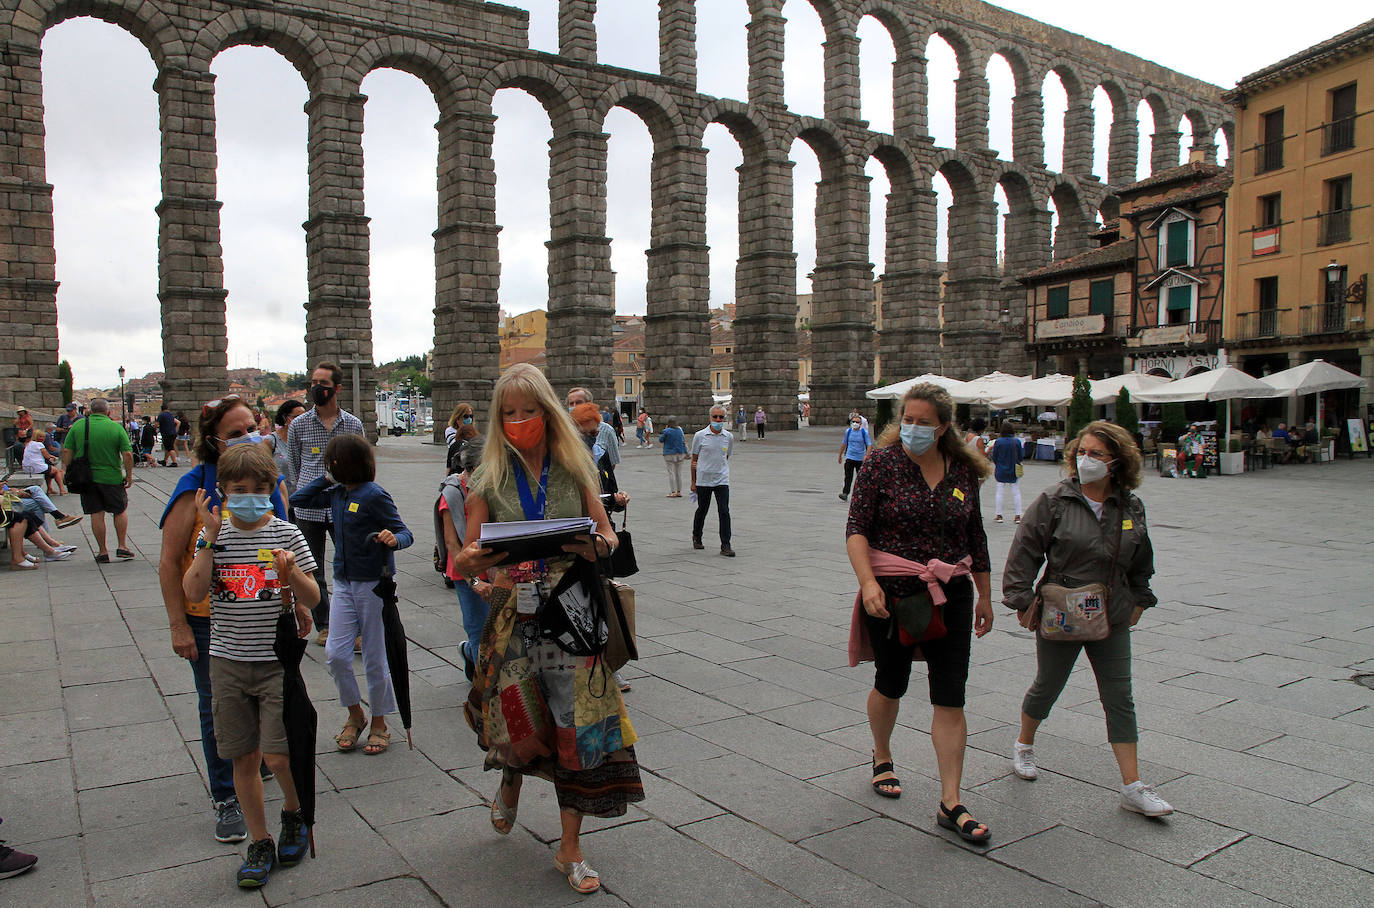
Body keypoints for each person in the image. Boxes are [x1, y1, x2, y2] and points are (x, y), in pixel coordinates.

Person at [451, 362, 642, 895]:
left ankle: (570, 848)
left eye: (528, 410)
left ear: (547, 412)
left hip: (571, 614)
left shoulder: (575, 466)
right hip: (515, 616)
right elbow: (465, 559)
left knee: (577, 729)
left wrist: (594, 545)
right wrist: (474, 560)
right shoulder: (487, 476)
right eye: (508, 413)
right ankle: (512, 777)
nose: (518, 421)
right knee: (522, 721)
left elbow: (607, 538)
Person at [844, 383, 994, 844]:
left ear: (943, 426)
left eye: (922, 422)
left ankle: (952, 800)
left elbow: (976, 536)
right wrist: (868, 582)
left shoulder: (962, 471)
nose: (912, 428)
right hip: (891, 593)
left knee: (951, 695)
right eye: (906, 419)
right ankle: (882, 754)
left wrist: (985, 595)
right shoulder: (880, 464)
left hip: (952, 593)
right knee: (891, 682)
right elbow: (856, 530)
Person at [1001, 421, 1173, 818]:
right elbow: (1024, 549)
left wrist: (1141, 599)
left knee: (1120, 697)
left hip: (1110, 614)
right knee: (1048, 685)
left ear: (1117, 462)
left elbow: (1142, 557)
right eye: (1082, 451)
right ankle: (1024, 744)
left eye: (1096, 454)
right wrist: (1022, 599)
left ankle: (1132, 787)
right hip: (1061, 612)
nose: (1086, 459)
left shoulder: (1129, 505)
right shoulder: (1055, 500)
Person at [181, 443, 319, 888]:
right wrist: (209, 538)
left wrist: (291, 574)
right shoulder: (214, 537)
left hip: (274, 661)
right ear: (221, 491)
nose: (248, 497)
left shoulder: (286, 533)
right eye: (238, 489)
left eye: (258, 489)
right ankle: (259, 840)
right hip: (228, 662)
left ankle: (293, 813)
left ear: (273, 489)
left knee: (279, 756)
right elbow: (193, 590)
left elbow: (315, 597)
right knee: (243, 757)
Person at [158, 394, 292, 843]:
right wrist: (178, 625)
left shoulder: (267, 482)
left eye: (251, 426)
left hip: (262, 615)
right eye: (234, 433)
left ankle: (251, 768)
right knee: (216, 706)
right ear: (212, 441)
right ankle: (226, 796)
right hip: (207, 620)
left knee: (266, 699)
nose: (247, 437)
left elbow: (284, 547)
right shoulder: (193, 489)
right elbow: (168, 561)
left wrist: (293, 602)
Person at [291, 434, 412, 757]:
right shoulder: (336, 494)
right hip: (343, 582)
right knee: (336, 654)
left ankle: (379, 722)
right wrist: (326, 478)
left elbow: (405, 532)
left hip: (373, 585)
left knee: (374, 656)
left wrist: (392, 538)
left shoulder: (374, 495)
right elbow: (298, 500)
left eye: (331, 461)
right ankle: (355, 713)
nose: (328, 466)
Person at [287, 361, 367, 646]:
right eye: (314, 383)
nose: (316, 388)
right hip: (308, 508)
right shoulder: (298, 424)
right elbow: (294, 465)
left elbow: (361, 464)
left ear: (337, 388)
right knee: (313, 570)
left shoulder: (353, 424)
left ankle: (355, 627)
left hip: (343, 505)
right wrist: (299, 495)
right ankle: (326, 626)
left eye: (323, 383)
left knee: (350, 566)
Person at [438, 440, 490, 681]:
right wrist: (475, 582)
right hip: (465, 573)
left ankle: (470, 652)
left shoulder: (493, 489)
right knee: (479, 633)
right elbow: (452, 544)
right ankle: (483, 690)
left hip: (495, 568)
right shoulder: (452, 493)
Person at [60, 398, 134, 563]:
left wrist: (66, 469)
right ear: (108, 412)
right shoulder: (115, 427)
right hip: (112, 477)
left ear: (91, 411)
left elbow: (66, 450)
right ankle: (122, 546)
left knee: (96, 513)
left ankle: (102, 551)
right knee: (119, 511)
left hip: (87, 479)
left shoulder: (79, 426)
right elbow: (127, 454)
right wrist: (128, 475)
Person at [691, 404, 735, 557]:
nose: (718, 419)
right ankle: (697, 536)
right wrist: (693, 482)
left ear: (724, 418)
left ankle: (726, 544)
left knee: (724, 511)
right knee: (702, 509)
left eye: (721, 417)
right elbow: (694, 460)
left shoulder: (728, 437)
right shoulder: (700, 436)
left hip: (722, 479)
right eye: (715, 417)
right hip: (703, 479)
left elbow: (726, 456)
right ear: (710, 418)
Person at [564, 388, 619, 466]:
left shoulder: (607, 430)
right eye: (571, 403)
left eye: (579, 402)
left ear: (589, 404)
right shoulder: (562, 428)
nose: (574, 406)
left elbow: (612, 463)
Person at [988, 423, 1025, 524]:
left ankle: (999, 515)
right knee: (1016, 492)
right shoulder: (1016, 441)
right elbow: (1021, 456)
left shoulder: (998, 441)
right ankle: (1018, 515)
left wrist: (998, 463)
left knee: (1000, 491)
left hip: (1001, 468)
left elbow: (994, 456)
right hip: (1013, 469)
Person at [838, 415, 872, 501]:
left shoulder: (864, 433)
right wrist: (840, 455)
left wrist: (866, 456)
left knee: (861, 478)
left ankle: (862, 494)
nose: (855, 423)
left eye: (857, 422)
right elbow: (844, 443)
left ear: (860, 424)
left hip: (860, 459)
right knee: (848, 477)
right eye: (853, 422)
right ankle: (845, 493)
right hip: (850, 457)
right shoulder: (848, 431)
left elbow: (869, 445)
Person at [22, 430, 65, 495]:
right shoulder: (39, 444)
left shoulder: (29, 443)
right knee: (56, 471)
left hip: (27, 468)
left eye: (43, 437)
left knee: (49, 471)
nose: (42, 438)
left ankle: (50, 489)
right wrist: (52, 457)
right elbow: (47, 456)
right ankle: (62, 490)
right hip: (36, 467)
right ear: (35, 436)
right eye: (40, 436)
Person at [659, 417, 687, 498]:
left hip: (669, 453)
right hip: (680, 453)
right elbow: (683, 440)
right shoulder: (680, 430)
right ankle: (679, 491)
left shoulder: (666, 431)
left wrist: (665, 430)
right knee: (678, 473)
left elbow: (661, 440)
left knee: (671, 473)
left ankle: (673, 491)